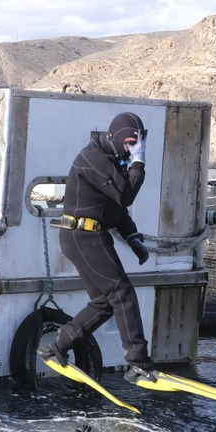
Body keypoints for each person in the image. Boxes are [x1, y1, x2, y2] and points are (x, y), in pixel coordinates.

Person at [40, 111, 157, 383]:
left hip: (88, 236)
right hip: (83, 236)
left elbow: (116, 208)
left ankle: (58, 347)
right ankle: (138, 363)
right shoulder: (93, 158)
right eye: (130, 143)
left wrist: (133, 238)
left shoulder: (110, 159)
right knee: (123, 293)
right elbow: (125, 195)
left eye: (138, 145)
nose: (133, 150)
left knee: (105, 302)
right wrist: (139, 163)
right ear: (116, 138)